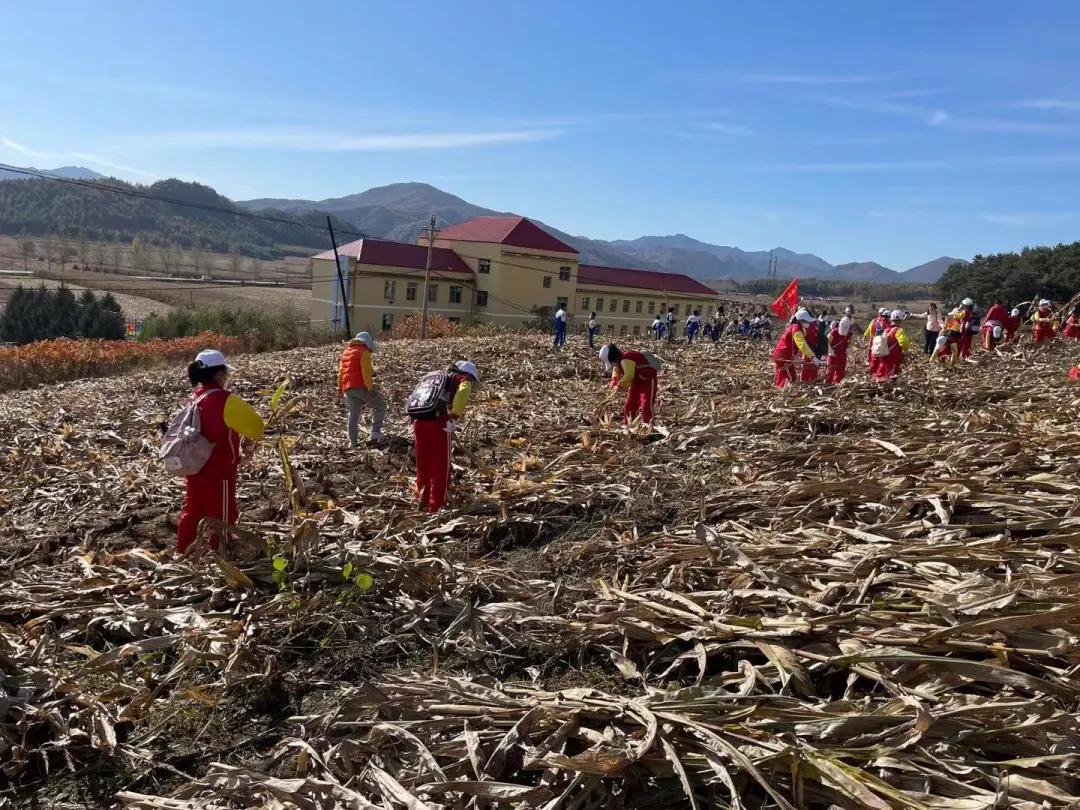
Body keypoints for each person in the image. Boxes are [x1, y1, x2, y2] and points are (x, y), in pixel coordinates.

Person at [176, 349, 265, 554]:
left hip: (194, 467)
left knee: (192, 512)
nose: (226, 377)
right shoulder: (226, 400)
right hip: (219, 471)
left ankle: (181, 552)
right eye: (225, 373)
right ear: (218, 375)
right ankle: (221, 553)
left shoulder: (194, 398)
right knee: (221, 516)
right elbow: (257, 427)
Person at [412, 360, 477, 512]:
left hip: (418, 421)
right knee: (440, 466)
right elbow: (463, 391)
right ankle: (436, 506)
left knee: (423, 461)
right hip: (437, 423)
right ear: (467, 374)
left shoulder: (434, 376)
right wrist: (454, 417)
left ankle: (421, 495)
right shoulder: (462, 379)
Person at [338, 331, 387, 447]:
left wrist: (339, 389)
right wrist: (369, 391)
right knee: (381, 405)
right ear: (367, 343)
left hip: (347, 388)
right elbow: (366, 373)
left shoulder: (346, 352)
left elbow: (340, 372)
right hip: (360, 386)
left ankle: (352, 442)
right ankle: (375, 432)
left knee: (353, 415)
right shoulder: (364, 352)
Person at [599, 343, 659, 424]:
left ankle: (649, 426)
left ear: (613, 358)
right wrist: (614, 380)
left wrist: (619, 385)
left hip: (647, 381)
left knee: (646, 405)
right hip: (636, 382)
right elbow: (616, 370)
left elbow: (629, 375)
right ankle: (628, 425)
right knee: (630, 405)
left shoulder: (626, 360)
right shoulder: (619, 361)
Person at [771, 308, 818, 388]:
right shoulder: (796, 329)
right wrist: (813, 357)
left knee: (790, 375)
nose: (808, 323)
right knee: (787, 377)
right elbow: (802, 344)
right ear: (801, 320)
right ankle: (781, 391)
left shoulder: (795, 327)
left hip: (783, 354)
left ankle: (781, 389)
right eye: (807, 321)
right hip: (783, 355)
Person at [874, 310, 911, 379]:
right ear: (900, 320)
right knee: (892, 373)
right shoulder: (899, 330)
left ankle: (879, 382)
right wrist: (906, 349)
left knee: (882, 369)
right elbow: (903, 342)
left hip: (883, 353)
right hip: (893, 356)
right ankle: (889, 386)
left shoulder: (886, 329)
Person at [824, 314, 851, 384]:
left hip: (842, 356)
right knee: (830, 372)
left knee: (841, 373)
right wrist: (830, 350)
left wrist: (848, 348)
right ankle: (827, 386)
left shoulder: (849, 334)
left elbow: (850, 342)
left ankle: (837, 386)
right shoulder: (833, 332)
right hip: (833, 355)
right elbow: (826, 342)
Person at [865, 308, 890, 372]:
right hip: (878, 339)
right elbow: (870, 328)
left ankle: (872, 366)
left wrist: (867, 335)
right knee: (875, 353)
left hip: (875, 339)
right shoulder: (876, 321)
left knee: (874, 353)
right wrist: (866, 335)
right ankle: (873, 367)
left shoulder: (877, 321)